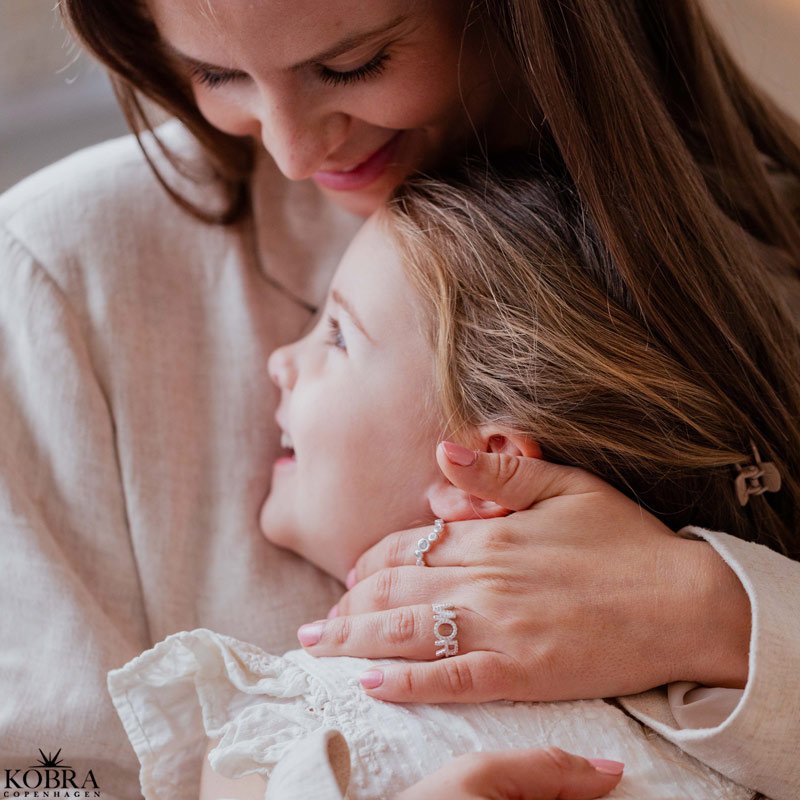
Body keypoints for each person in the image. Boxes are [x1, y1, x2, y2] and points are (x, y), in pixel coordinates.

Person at [1, 0, 798, 797]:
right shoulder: (56, 273)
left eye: (351, 65)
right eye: (215, 73)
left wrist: (713, 614)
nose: (292, 151)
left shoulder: (774, 256)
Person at [107, 166, 770, 800]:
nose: (281, 360)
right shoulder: (731, 710)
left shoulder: (285, 735)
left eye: (336, 335)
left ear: (487, 469)